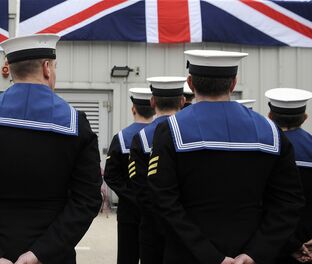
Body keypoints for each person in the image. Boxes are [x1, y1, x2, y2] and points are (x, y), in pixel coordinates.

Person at [0, 34, 102, 264]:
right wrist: (42, 252)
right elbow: (87, 199)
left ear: (9, 69)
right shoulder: (76, 124)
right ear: (47, 68)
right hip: (53, 254)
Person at [148, 50, 305, 264]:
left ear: (190, 83)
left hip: (189, 254)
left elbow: (161, 200)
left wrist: (209, 254)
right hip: (251, 255)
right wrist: (257, 252)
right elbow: (289, 202)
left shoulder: (171, 129)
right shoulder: (271, 132)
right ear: (233, 84)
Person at [129, 77, 185, 264]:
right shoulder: (191, 132)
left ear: (152, 102)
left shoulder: (141, 137)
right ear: (182, 101)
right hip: (188, 230)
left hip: (152, 228)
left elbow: (139, 186)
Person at [103, 88, 154, 264]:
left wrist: (130, 195)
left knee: (127, 257)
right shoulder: (163, 135)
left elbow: (110, 175)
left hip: (129, 211)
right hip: (156, 210)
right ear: (154, 107)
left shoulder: (122, 138)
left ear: (133, 109)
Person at [265, 88, 312, 264]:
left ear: (270, 115)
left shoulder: (263, 149)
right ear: (305, 117)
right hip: (306, 243)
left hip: (267, 244)